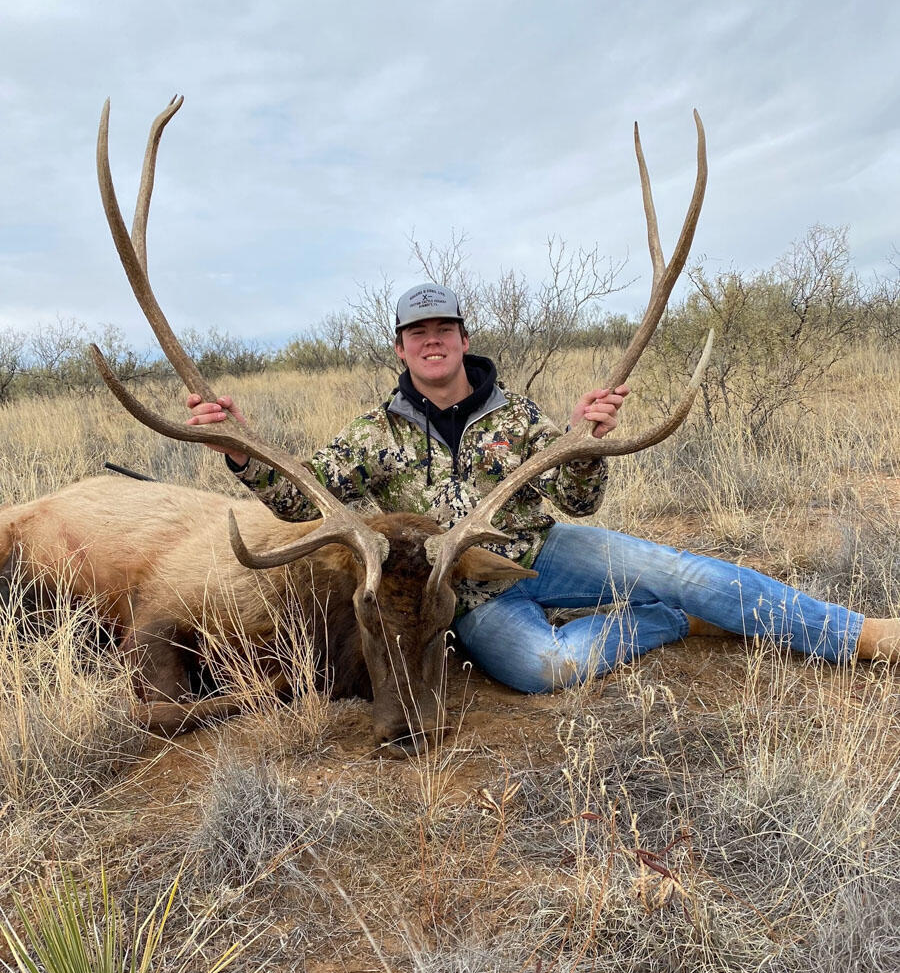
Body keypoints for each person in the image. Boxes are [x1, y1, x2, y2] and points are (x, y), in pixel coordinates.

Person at [186, 283, 899, 690]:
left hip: (546, 550)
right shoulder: (373, 433)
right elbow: (307, 500)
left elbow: (580, 503)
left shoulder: (518, 415)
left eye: (444, 329)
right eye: (417, 333)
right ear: (400, 349)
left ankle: (864, 637)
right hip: (459, 593)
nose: (432, 341)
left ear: (464, 339)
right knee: (548, 667)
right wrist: (244, 455)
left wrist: (583, 444)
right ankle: (675, 622)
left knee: (682, 569)